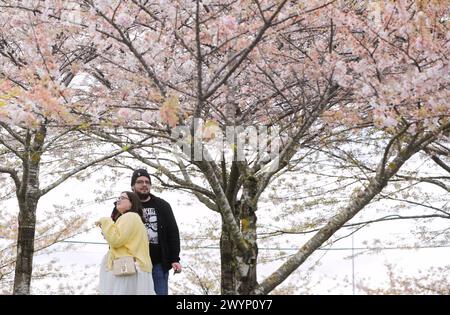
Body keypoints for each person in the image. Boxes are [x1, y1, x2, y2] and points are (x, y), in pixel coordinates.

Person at [111, 169, 182, 295]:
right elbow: (114, 233)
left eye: (147, 182)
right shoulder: (122, 205)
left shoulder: (162, 205)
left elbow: (173, 233)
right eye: (139, 182)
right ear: (132, 186)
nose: (144, 184)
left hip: (158, 264)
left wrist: (175, 258)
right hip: (130, 261)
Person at [96, 191, 155, 295]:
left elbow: (115, 239)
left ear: (131, 203)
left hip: (127, 268)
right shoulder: (134, 218)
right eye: (118, 198)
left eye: (122, 198)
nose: (118, 200)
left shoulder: (129, 216)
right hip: (135, 267)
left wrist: (106, 221)